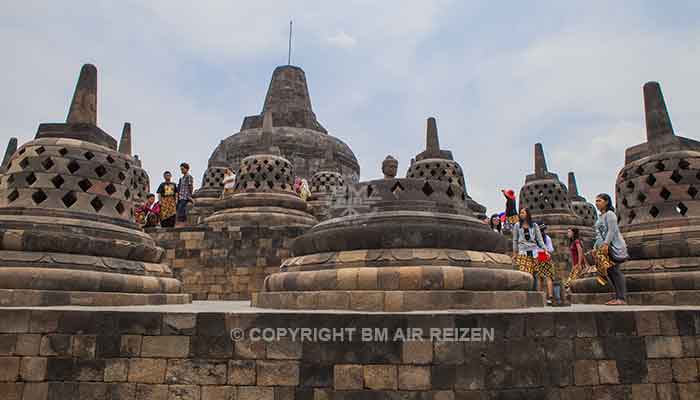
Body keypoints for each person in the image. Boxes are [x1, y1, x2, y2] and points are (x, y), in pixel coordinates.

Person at [594, 193, 628, 305]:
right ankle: (617, 296)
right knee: (609, 271)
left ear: (606, 201)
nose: (596, 203)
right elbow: (598, 234)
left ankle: (621, 298)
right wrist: (596, 248)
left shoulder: (610, 214)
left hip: (613, 246)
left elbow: (612, 231)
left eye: (599, 201)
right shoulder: (600, 217)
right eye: (596, 201)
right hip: (604, 247)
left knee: (615, 271)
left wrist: (606, 244)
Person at [512, 207, 547, 291]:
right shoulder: (517, 225)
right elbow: (515, 240)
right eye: (520, 213)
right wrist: (515, 253)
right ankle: (526, 291)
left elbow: (539, 239)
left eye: (523, 213)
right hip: (523, 251)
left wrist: (544, 249)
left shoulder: (534, 225)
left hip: (534, 250)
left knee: (535, 273)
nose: (521, 215)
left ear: (527, 214)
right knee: (525, 272)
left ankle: (534, 291)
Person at [538, 224, 555, 303]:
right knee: (548, 278)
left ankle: (539, 297)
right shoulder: (547, 238)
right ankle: (550, 297)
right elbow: (551, 250)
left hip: (538, 257)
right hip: (546, 257)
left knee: (540, 278)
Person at [176, 163, 194, 227]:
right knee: (179, 209)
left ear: (187, 169)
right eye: (181, 169)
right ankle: (180, 222)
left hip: (186, 196)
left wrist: (190, 195)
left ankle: (182, 223)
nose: (181, 171)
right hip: (180, 196)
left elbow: (190, 186)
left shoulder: (189, 177)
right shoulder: (181, 178)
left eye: (182, 169)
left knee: (182, 209)